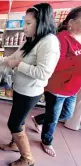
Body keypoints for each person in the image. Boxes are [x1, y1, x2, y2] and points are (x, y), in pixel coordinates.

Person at [0, 3, 60, 166]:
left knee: (14, 124)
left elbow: (44, 73)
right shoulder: (31, 41)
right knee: (19, 120)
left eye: (28, 23)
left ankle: (27, 158)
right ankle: (14, 143)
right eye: (24, 23)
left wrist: (19, 65)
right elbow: (12, 58)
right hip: (20, 88)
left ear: (42, 22)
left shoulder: (49, 42)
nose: (24, 28)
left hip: (30, 92)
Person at [31, 7, 81, 157]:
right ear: (71, 22)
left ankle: (38, 119)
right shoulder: (61, 38)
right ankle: (46, 140)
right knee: (53, 118)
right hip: (58, 87)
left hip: (73, 88)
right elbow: (56, 65)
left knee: (66, 114)